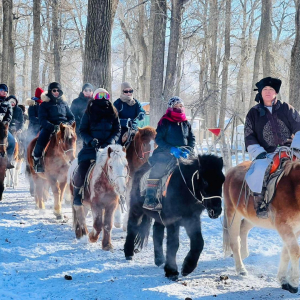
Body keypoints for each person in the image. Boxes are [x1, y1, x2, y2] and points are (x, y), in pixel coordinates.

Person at [245, 77, 300, 218]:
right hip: (266, 153)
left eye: (271, 90)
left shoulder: (286, 108)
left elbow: (298, 127)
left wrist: (296, 148)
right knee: (261, 170)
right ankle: (261, 203)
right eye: (265, 89)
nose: (268, 92)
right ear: (261, 93)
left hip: (289, 150)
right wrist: (258, 153)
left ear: (276, 92)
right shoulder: (253, 113)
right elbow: (249, 135)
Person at [143, 96, 195, 211]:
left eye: (180, 106)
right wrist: (171, 149)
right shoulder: (165, 121)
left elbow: (192, 139)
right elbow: (159, 139)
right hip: (166, 153)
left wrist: (188, 150)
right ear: (171, 107)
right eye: (176, 106)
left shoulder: (186, 122)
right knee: (157, 170)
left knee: (198, 170)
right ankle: (150, 199)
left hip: (185, 153)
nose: (179, 108)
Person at [72, 88, 121, 208]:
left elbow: (117, 130)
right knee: (82, 169)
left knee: (120, 167)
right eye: (100, 96)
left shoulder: (113, 111)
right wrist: (90, 141)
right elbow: (82, 130)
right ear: (95, 97)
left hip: (109, 148)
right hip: (91, 148)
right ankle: (77, 194)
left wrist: (111, 141)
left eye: (106, 96)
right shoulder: (88, 112)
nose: (103, 99)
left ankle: (121, 194)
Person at [33, 82, 75, 173]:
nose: (56, 92)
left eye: (58, 90)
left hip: (64, 128)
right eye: (54, 90)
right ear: (50, 92)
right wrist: (52, 127)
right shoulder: (44, 105)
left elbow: (71, 117)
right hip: (50, 128)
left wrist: (67, 124)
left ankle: (73, 159)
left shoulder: (64, 103)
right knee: (42, 138)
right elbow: (42, 119)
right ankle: (37, 160)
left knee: (72, 139)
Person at [70, 83, 94, 151]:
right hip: (80, 128)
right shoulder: (76, 102)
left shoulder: (95, 102)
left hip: (93, 128)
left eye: (90, 90)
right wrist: (81, 124)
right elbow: (72, 116)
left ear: (92, 92)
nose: (88, 92)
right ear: (83, 91)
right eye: (86, 90)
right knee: (80, 146)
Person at [0, 84, 15, 169]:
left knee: (12, 141)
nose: (4, 92)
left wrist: (5, 122)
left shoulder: (8, 103)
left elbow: (9, 115)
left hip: (3, 127)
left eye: (6, 91)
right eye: (2, 90)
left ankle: (8, 160)